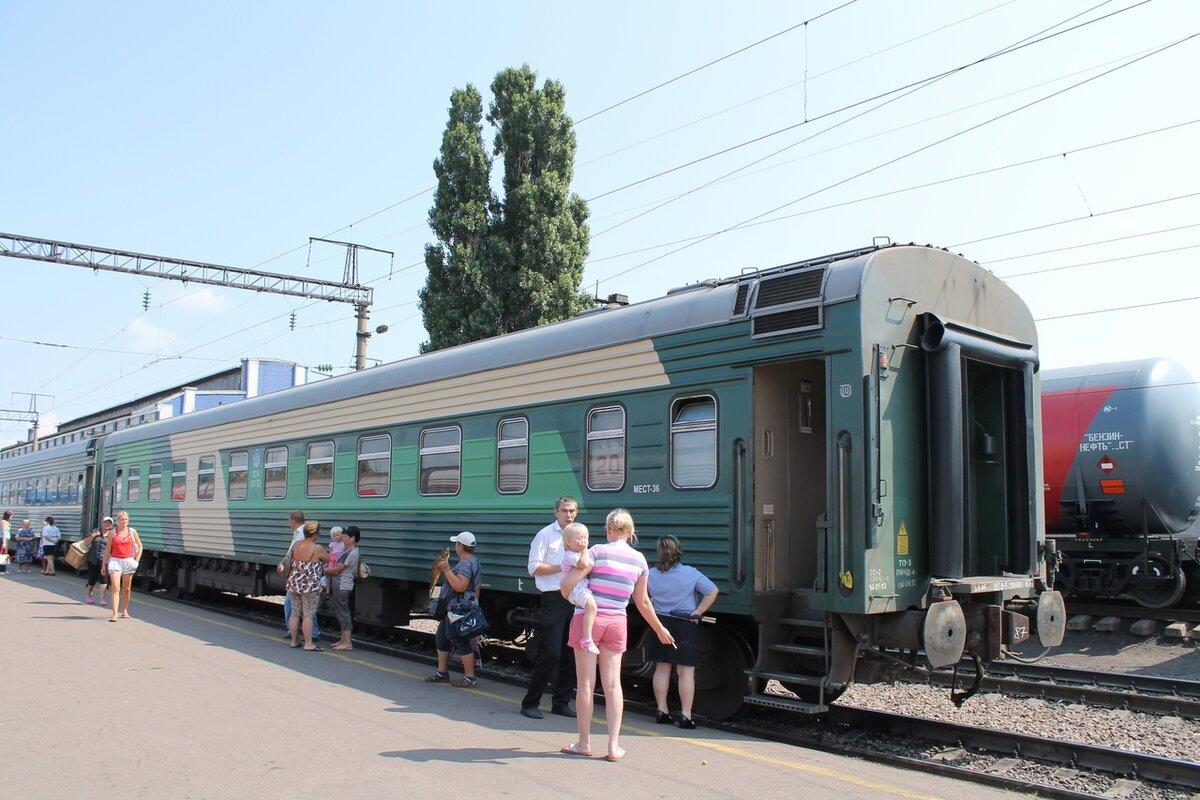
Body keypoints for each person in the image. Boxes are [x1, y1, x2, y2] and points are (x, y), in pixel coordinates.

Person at [559, 509, 675, 762]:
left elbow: (568, 584)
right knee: (613, 685)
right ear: (631, 532)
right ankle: (613, 746)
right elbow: (643, 602)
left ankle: (584, 743)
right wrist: (659, 629)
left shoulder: (596, 552)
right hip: (617, 622)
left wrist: (568, 592)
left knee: (586, 685)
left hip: (588, 620)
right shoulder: (640, 560)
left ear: (609, 530)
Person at [647, 535, 720, 729]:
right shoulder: (690, 573)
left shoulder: (651, 574)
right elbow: (712, 590)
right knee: (685, 671)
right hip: (685, 624)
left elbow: (642, 596)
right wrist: (698, 612)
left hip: (660, 623)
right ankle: (686, 716)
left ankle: (662, 711)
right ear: (678, 551)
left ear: (659, 553)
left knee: (662, 668)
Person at [520, 496, 579, 719]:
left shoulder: (579, 535)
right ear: (555, 512)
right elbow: (533, 568)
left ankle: (561, 702)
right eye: (564, 511)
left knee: (570, 652)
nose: (568, 515)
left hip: (573, 597)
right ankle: (530, 703)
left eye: (572, 511)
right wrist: (560, 567)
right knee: (551, 653)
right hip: (553, 597)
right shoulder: (545, 535)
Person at [425, 532, 481, 688]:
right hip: (457, 608)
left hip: (458, 609)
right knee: (441, 637)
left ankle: (470, 677)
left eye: (457, 544)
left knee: (462, 640)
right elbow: (476, 587)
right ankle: (442, 672)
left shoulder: (465, 564)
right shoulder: (474, 561)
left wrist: (447, 570)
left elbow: (460, 586)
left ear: (461, 547)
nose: (455, 546)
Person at [278, 510, 320, 641]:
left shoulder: (301, 533)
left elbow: (296, 554)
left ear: (293, 520)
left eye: (289, 520)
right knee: (303, 607)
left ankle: (307, 633)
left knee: (297, 607)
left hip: (300, 576)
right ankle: (304, 632)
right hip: (300, 576)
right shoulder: (299, 532)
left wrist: (284, 564)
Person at [559, 523, 599, 654]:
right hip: (576, 588)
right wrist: (586, 549)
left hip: (580, 587)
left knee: (587, 610)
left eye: (585, 537)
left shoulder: (577, 553)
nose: (583, 541)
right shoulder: (569, 555)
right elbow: (583, 564)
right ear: (569, 542)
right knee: (592, 607)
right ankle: (587, 639)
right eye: (579, 538)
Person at [286, 520, 327, 651]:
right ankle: (308, 644)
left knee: (295, 612)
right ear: (315, 534)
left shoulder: (297, 545)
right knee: (308, 614)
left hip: (295, 583)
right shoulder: (318, 548)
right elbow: (329, 559)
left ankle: (293, 641)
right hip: (310, 586)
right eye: (318, 533)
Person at [101, 511, 142, 622]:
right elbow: (108, 550)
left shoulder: (132, 532)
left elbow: (140, 545)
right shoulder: (112, 533)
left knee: (126, 589)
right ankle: (114, 614)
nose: (124, 521)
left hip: (128, 561)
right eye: (122, 520)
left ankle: (124, 610)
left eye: (126, 519)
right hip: (115, 561)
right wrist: (103, 565)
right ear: (117, 521)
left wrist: (136, 561)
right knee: (115, 587)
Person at [324, 525, 360, 651]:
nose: (343, 539)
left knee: (343, 612)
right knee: (341, 611)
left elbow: (338, 569)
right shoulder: (351, 551)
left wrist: (326, 570)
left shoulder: (350, 552)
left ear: (353, 538)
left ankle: (347, 642)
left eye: (345, 537)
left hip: (342, 585)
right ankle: (343, 639)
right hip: (343, 584)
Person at [82, 517, 114, 606]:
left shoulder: (112, 535)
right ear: (102, 523)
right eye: (106, 522)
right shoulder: (95, 532)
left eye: (109, 523)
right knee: (92, 578)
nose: (107, 524)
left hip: (105, 560)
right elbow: (86, 543)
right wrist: (92, 536)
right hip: (93, 559)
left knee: (104, 580)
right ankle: (89, 596)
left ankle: (102, 599)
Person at [323, 526, 345, 597]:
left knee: (337, 574)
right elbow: (330, 554)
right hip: (332, 560)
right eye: (334, 535)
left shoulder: (344, 543)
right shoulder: (332, 544)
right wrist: (327, 562)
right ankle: (327, 590)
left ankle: (335, 588)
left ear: (341, 534)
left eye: (337, 535)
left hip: (339, 561)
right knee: (328, 575)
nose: (336, 537)